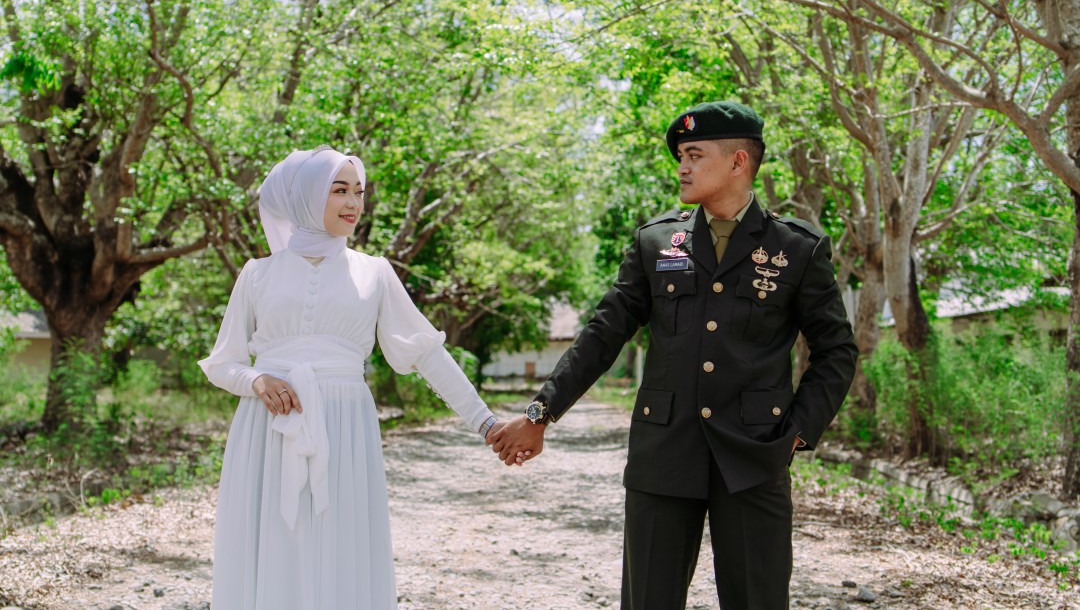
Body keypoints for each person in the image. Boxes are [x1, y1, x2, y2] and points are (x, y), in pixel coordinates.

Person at [490, 101, 858, 610]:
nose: (682, 167)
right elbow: (603, 334)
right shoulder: (657, 241)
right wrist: (540, 412)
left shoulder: (796, 248)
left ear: (738, 161)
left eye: (694, 155)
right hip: (663, 454)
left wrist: (795, 433)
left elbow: (836, 350)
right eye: (680, 156)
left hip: (755, 456)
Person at [199, 146, 504, 609]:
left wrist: (486, 422)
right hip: (267, 427)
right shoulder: (257, 274)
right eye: (339, 190)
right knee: (273, 544)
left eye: (358, 192)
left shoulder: (374, 272)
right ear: (306, 197)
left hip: (345, 427)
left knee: (339, 545)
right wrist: (257, 381)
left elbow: (426, 353)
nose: (353, 203)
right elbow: (224, 363)